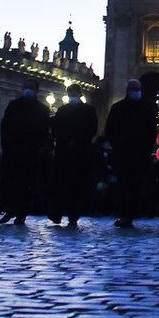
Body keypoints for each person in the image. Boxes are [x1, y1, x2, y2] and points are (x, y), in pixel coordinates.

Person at [104, 79, 156, 229]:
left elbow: (109, 131)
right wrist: (146, 147)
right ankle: (130, 214)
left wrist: (117, 145)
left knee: (125, 186)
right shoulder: (148, 108)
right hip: (139, 155)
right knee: (133, 186)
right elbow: (153, 132)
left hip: (123, 154)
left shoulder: (117, 108)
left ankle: (125, 215)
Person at [0, 78, 49, 225]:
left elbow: (44, 132)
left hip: (30, 152)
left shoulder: (42, 110)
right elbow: (5, 126)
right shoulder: (13, 106)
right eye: (26, 87)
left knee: (26, 184)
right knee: (9, 182)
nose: (27, 90)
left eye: (30, 87)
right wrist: (5, 144)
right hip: (12, 151)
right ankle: (9, 210)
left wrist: (40, 148)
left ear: (36, 90)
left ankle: (21, 213)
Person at [49, 86, 99, 227]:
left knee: (75, 186)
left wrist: (75, 140)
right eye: (70, 94)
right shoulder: (63, 111)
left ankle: (72, 215)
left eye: (73, 94)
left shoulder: (87, 111)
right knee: (62, 184)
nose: (72, 96)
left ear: (79, 94)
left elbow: (92, 129)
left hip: (78, 153)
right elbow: (56, 130)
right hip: (66, 153)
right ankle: (58, 213)